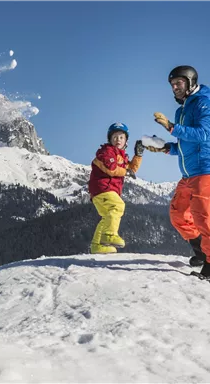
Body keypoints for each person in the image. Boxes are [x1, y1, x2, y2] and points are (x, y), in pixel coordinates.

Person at [146, 65, 210, 276]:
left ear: (191, 82)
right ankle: (201, 252)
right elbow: (184, 145)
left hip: (205, 169)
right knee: (178, 214)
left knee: (204, 218)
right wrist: (165, 148)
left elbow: (202, 135)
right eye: (172, 85)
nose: (175, 88)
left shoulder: (204, 102)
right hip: (188, 173)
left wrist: (172, 127)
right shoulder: (181, 110)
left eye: (179, 83)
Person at [88, 122, 143, 254]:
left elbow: (132, 169)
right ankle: (109, 235)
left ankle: (96, 245)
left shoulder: (122, 156)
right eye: (115, 137)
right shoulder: (107, 152)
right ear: (110, 140)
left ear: (126, 141)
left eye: (121, 137)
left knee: (107, 217)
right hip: (103, 187)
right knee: (118, 206)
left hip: (101, 191)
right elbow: (111, 169)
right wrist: (126, 172)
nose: (118, 140)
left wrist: (138, 155)